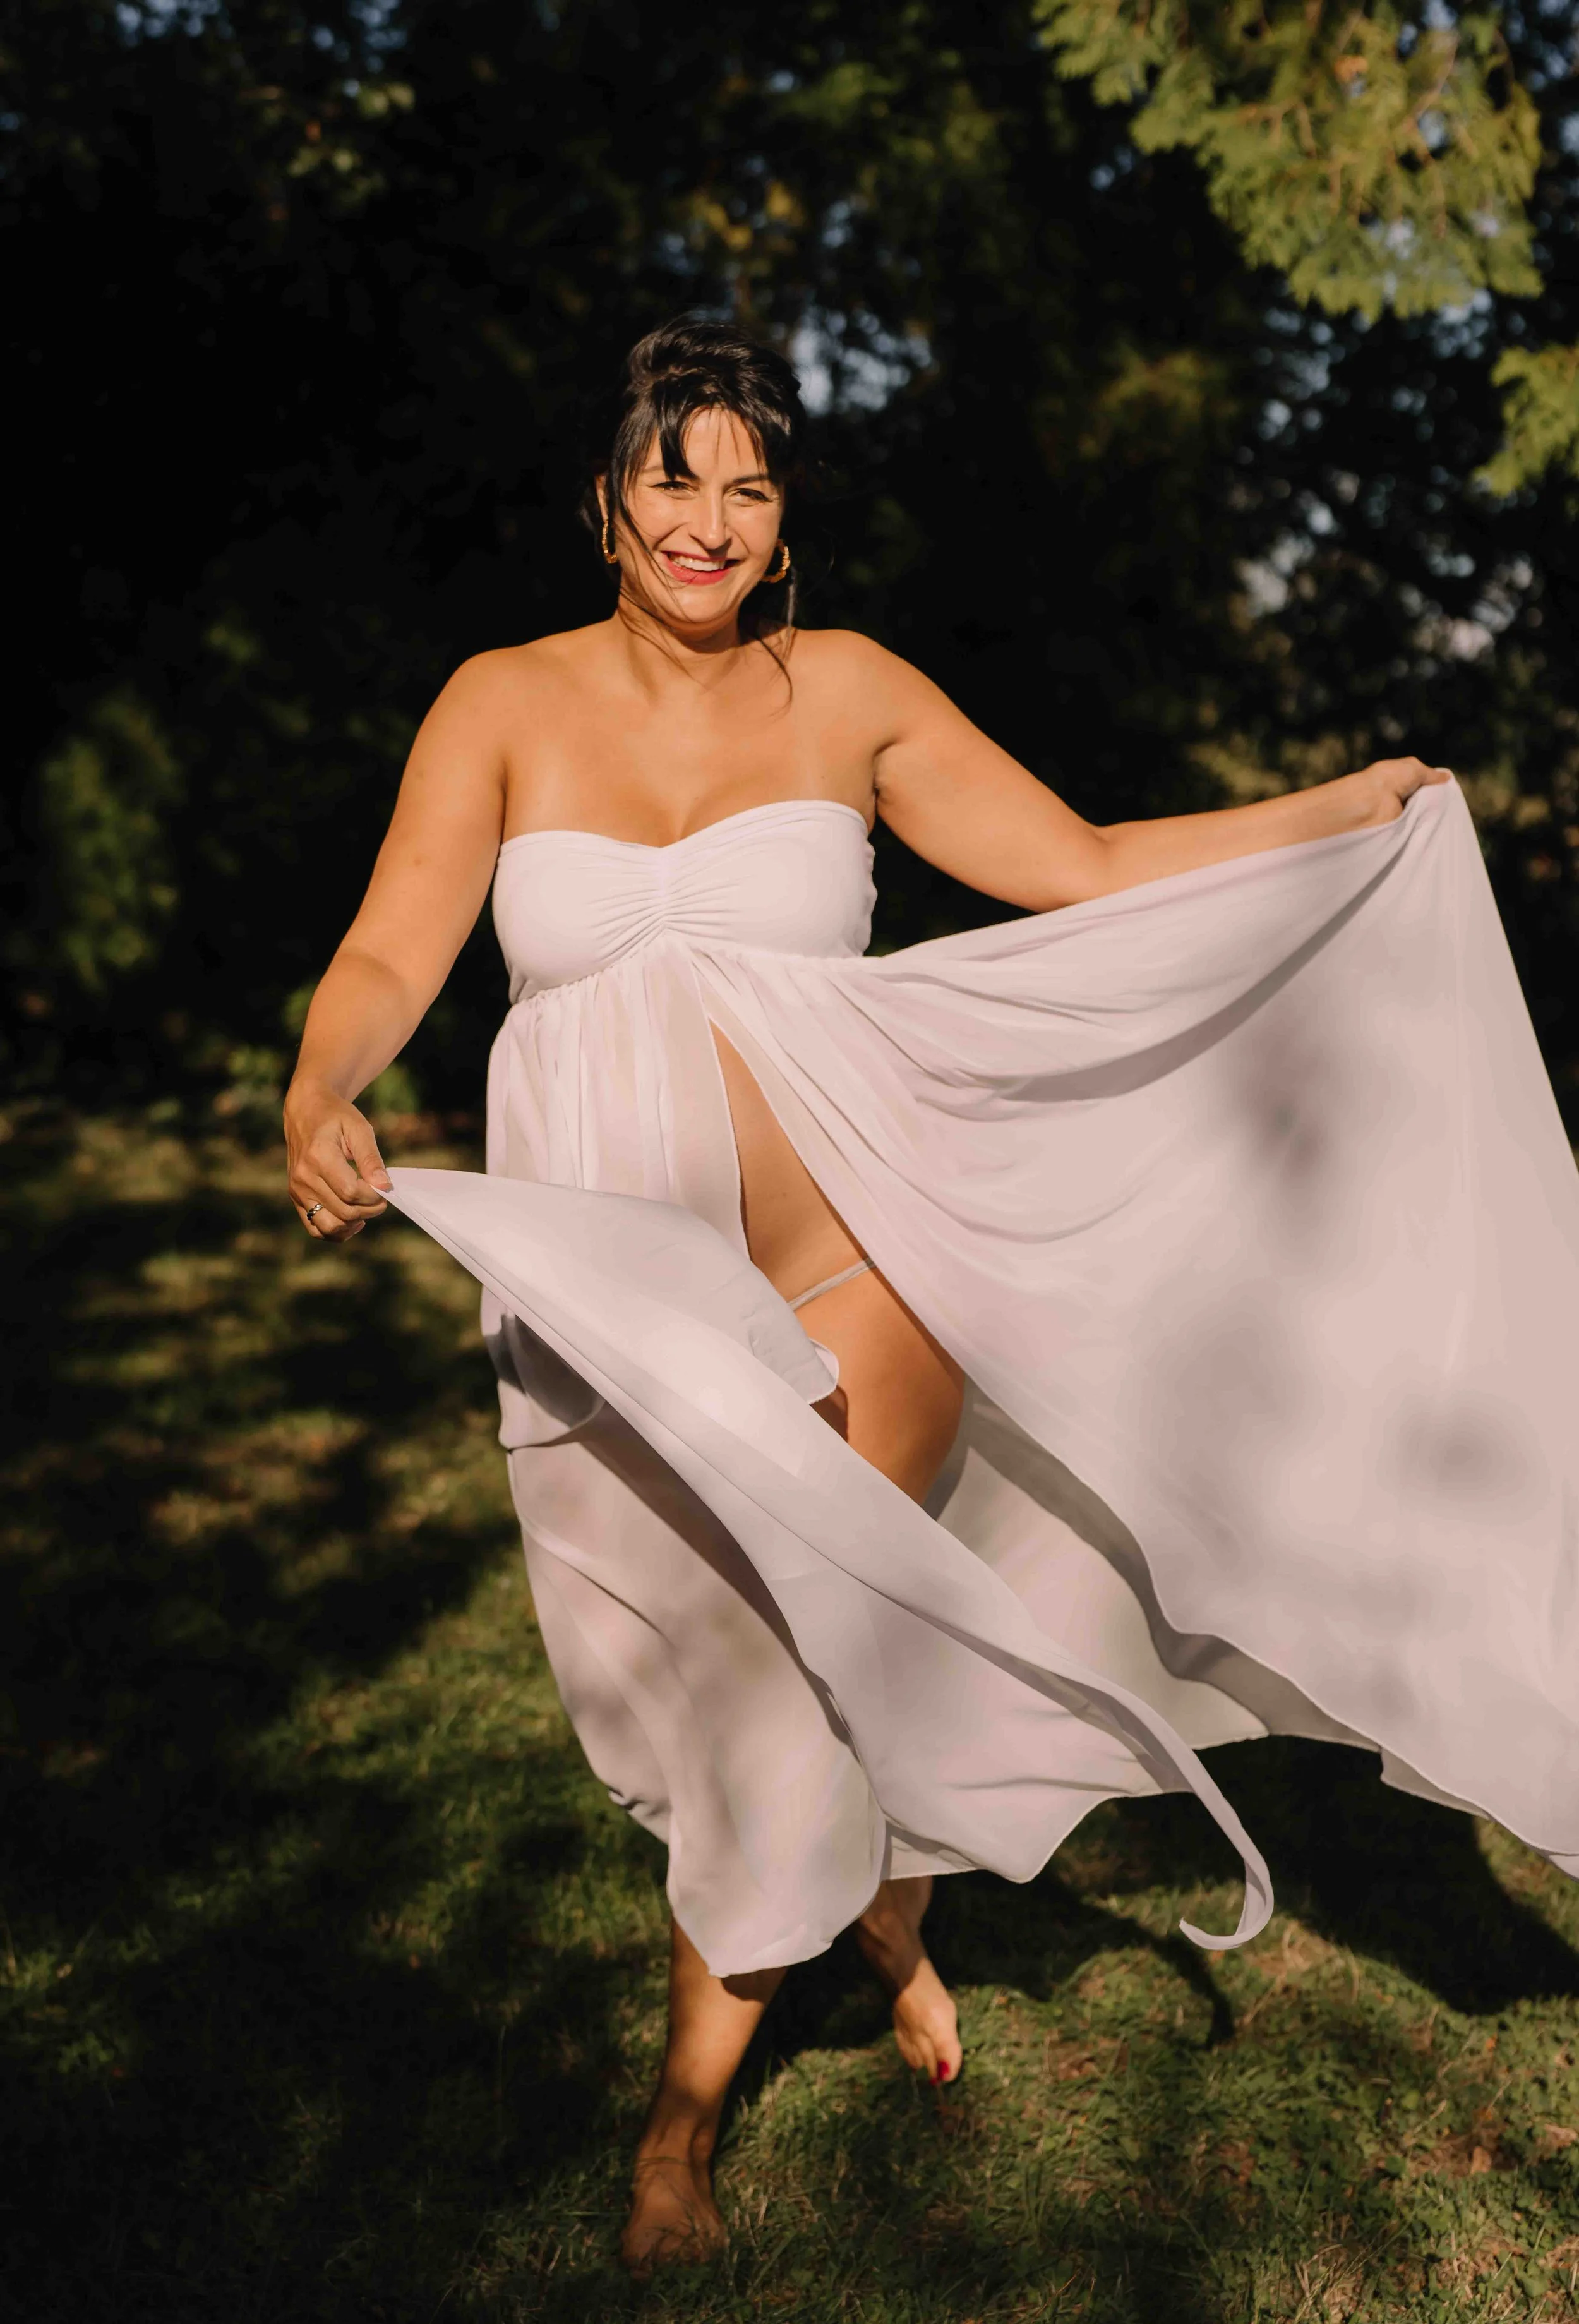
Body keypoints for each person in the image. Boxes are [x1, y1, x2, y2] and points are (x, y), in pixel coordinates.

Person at [283, 318, 1578, 2275]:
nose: (708, 519)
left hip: (859, 1252)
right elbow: (395, 944)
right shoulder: (502, 702)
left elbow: (1080, 860)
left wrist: (1335, 809)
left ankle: (676, 2130)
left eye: (747, 485)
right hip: (610, 1291)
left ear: (781, 519)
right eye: (672, 478)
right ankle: (883, 1901)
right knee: (672, 1681)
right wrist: (322, 1083)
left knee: (778, 1679)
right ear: (605, 503)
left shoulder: (853, 690)